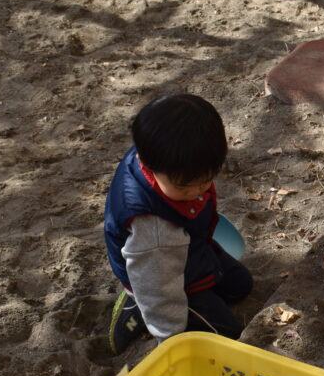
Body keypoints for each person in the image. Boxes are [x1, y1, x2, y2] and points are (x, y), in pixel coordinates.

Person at [104, 93, 252, 354]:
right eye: (184, 186)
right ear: (149, 163)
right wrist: (171, 340)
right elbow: (159, 294)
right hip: (159, 280)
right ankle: (135, 303)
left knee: (241, 285)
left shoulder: (161, 155)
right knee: (226, 335)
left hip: (188, 251)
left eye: (204, 181)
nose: (195, 192)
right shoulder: (155, 231)